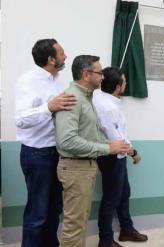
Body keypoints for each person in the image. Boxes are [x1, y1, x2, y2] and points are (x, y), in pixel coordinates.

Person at [54, 55, 131, 247]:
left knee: (79, 222)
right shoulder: (72, 98)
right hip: (75, 167)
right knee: (74, 226)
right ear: (86, 74)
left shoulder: (86, 98)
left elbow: (89, 135)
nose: (103, 77)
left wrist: (109, 145)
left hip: (84, 166)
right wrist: (107, 147)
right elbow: (67, 141)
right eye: (99, 73)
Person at [15, 38, 76, 247]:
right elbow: (21, 120)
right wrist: (48, 107)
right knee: (37, 212)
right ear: (51, 59)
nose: (65, 56)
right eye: (62, 53)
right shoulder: (28, 81)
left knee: (55, 209)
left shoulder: (59, 79)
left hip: (58, 152)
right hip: (37, 154)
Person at [92, 67, 148, 247]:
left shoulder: (104, 98)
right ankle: (105, 240)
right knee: (111, 198)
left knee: (124, 194)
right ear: (118, 86)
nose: (126, 83)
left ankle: (126, 229)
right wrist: (134, 153)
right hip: (112, 157)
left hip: (116, 156)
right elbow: (116, 139)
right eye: (124, 81)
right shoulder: (108, 108)